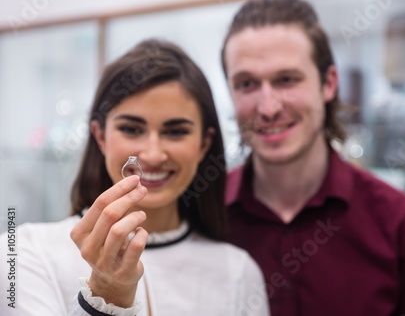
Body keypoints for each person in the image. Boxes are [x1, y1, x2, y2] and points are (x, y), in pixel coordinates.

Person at [220, 0, 405, 316]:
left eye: (286, 79)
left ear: (328, 83)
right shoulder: (206, 215)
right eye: (246, 84)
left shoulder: (401, 224)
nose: (268, 107)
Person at [0, 39, 269, 316]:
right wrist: (106, 294)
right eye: (131, 129)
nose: (152, 155)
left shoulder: (238, 272)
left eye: (176, 132)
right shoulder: (23, 252)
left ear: (203, 144)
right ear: (100, 136)